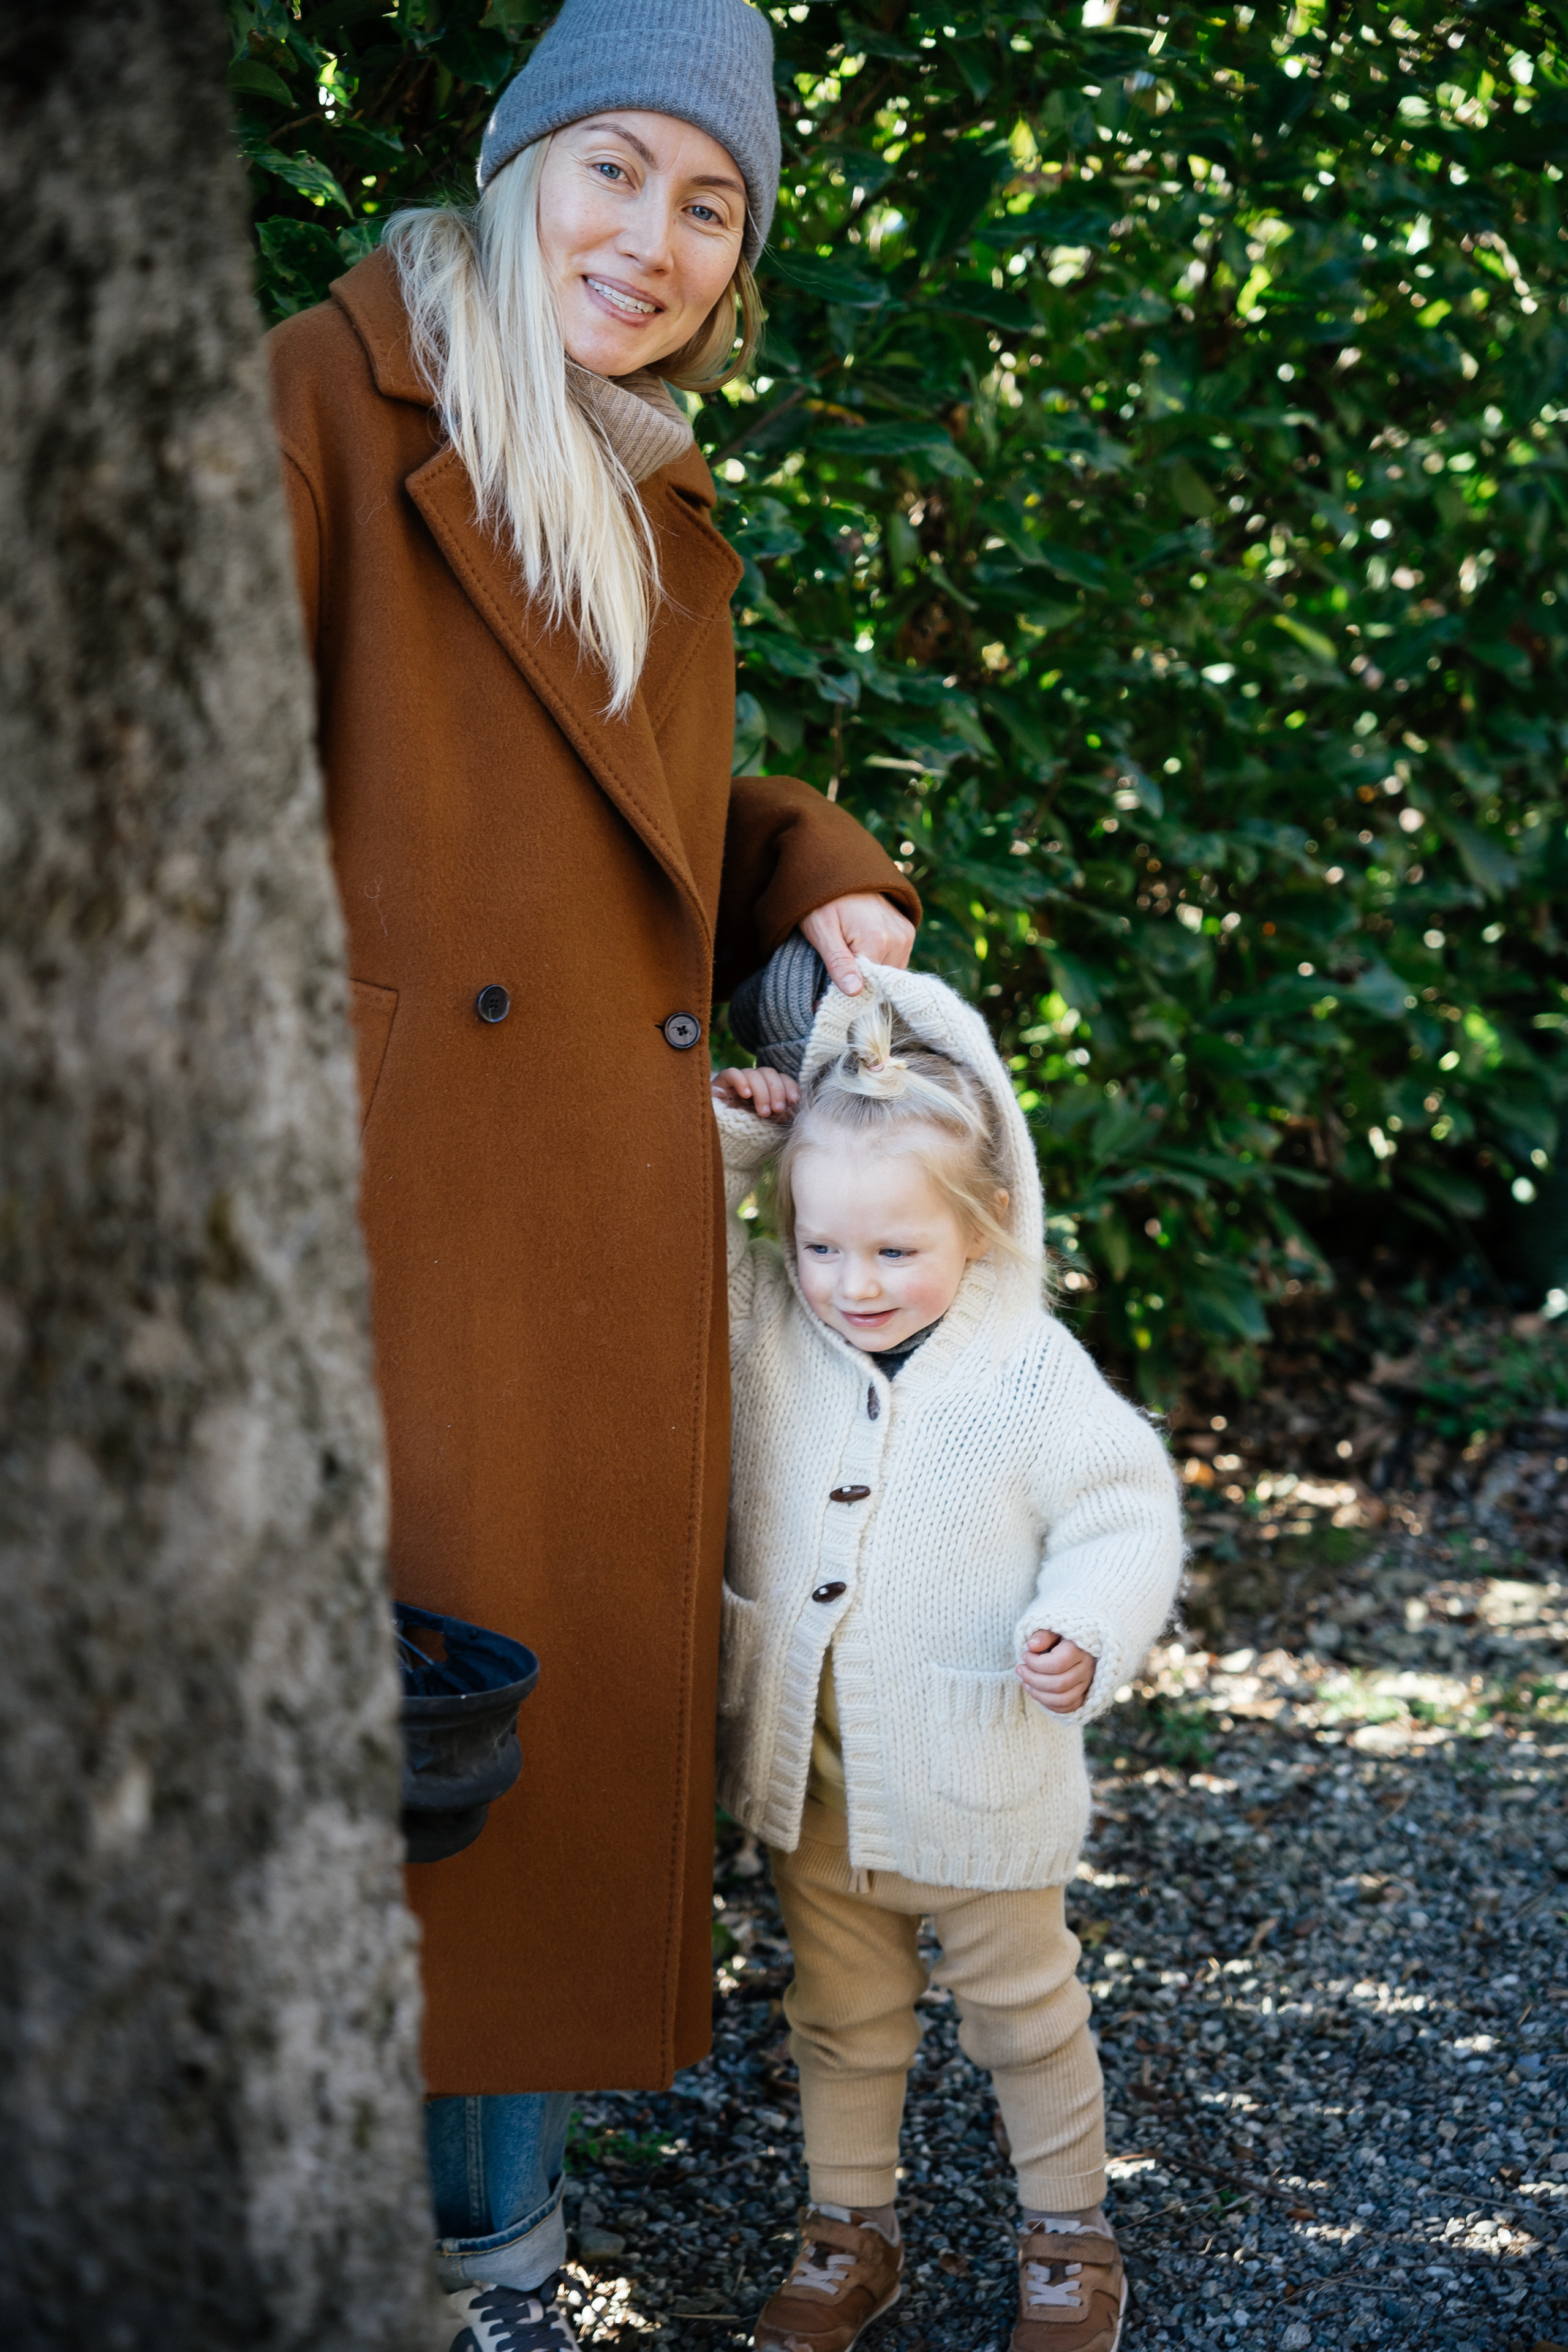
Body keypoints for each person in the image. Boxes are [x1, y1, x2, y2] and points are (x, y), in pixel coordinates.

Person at [265, 2, 917, 2342]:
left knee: (490, 1747)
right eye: (616, 172)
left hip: (554, 1229)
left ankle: (492, 2259)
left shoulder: (628, 478)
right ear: (519, 160)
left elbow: (606, 827)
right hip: (376, 1234)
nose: (652, 237)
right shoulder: (324, 406)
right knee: (404, 1734)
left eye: (710, 205)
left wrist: (808, 875)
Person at [710, 960, 1183, 2352]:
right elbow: (653, 1242)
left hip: (977, 1770)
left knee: (1024, 2019)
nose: (851, 1284)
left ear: (980, 1227)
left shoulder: (1023, 1369)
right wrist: (744, 1138)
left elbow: (1122, 1509)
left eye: (894, 1252)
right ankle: (848, 2226)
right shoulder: (758, 1320)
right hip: (818, 1781)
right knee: (840, 2018)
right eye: (820, 1246)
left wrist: (1084, 1631)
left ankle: (1066, 2235)